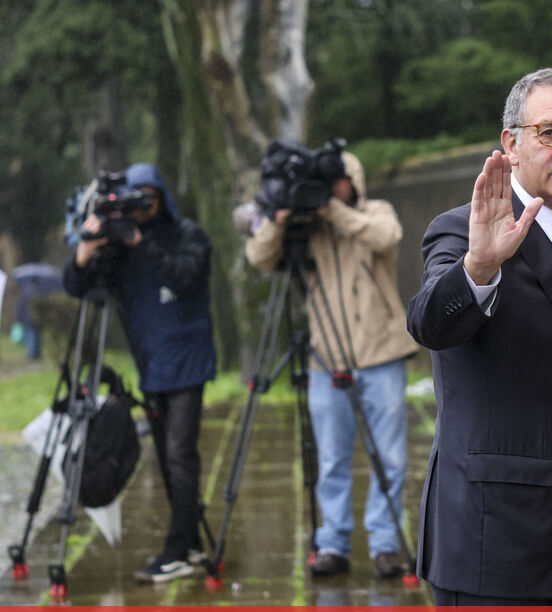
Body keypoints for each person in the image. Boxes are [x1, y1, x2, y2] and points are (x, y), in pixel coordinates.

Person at [407, 67, 552, 612]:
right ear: (511, 144)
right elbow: (430, 322)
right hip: (493, 541)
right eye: (550, 131)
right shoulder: (464, 229)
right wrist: (478, 268)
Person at [244, 150, 419, 579]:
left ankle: (384, 545)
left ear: (352, 181)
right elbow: (259, 257)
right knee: (332, 460)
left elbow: (387, 237)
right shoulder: (307, 228)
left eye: (337, 181)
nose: (330, 189)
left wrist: (333, 210)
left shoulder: (375, 211)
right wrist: (279, 219)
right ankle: (332, 544)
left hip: (381, 354)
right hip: (326, 359)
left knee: (391, 458)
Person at [63, 162, 216, 583]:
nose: (143, 205)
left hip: (188, 360)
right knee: (167, 457)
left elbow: (186, 278)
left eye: (149, 196)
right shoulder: (119, 248)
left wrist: (139, 241)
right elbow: (77, 287)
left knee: (180, 455)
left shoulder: (188, 234)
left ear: (162, 195)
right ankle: (189, 543)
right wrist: (86, 248)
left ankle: (178, 549)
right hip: (151, 365)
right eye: (136, 197)